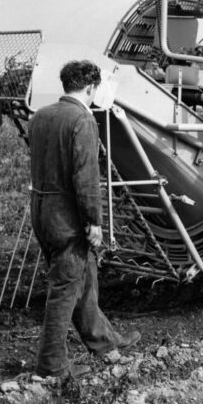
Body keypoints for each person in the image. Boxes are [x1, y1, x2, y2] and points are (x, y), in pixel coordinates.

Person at [29, 60, 140, 378]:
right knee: (65, 287)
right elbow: (86, 177)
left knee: (84, 274)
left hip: (41, 209)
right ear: (91, 88)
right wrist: (94, 222)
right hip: (67, 215)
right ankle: (51, 365)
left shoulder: (41, 115)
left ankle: (104, 341)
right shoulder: (82, 119)